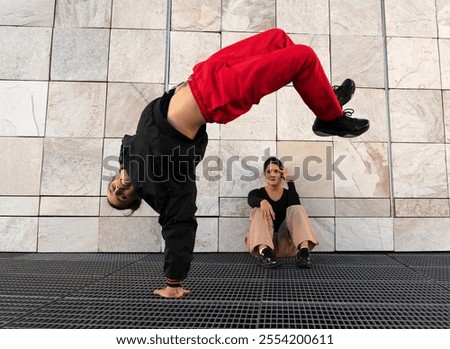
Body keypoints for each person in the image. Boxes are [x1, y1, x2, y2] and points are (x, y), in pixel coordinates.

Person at [106, 28, 369, 299]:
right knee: (303, 57)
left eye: (112, 189)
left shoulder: (130, 151)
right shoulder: (162, 186)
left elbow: (126, 150)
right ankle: (329, 117)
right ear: (137, 196)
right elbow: (178, 228)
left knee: (277, 39)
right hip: (216, 95)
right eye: (123, 197)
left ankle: (323, 95)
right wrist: (173, 282)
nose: (118, 190)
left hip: (204, 74)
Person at [246, 157, 318, 269]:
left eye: (276, 171)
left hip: (285, 246)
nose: (272, 174)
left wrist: (289, 179)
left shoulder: (289, 194)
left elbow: (296, 206)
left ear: (281, 173)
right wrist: (262, 202)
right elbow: (251, 199)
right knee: (258, 209)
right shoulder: (257, 193)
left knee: (297, 208)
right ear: (264, 175)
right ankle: (264, 253)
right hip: (263, 244)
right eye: (268, 171)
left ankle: (304, 253)